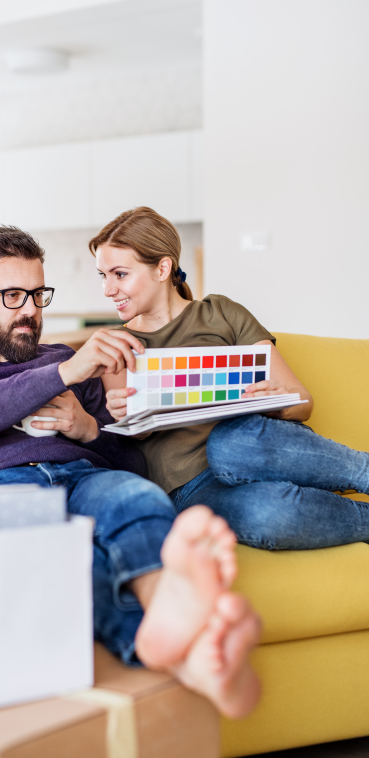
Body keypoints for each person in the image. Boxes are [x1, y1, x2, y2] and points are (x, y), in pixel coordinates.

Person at [0, 224, 261, 718]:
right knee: (64, 559)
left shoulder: (68, 360)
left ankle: (176, 631)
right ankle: (187, 652)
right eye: (12, 295)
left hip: (85, 479)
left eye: (37, 294)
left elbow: (135, 461)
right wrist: (62, 374)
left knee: (138, 499)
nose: (31, 310)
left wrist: (89, 428)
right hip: (2, 491)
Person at [91, 207, 369, 550]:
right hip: (192, 487)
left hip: (255, 449)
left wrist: (274, 402)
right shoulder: (117, 347)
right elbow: (134, 439)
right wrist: (128, 413)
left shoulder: (221, 313)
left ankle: (363, 472)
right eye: (102, 275)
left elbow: (303, 402)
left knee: (229, 444)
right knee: (270, 513)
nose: (107, 289)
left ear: (162, 268)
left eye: (119, 274)